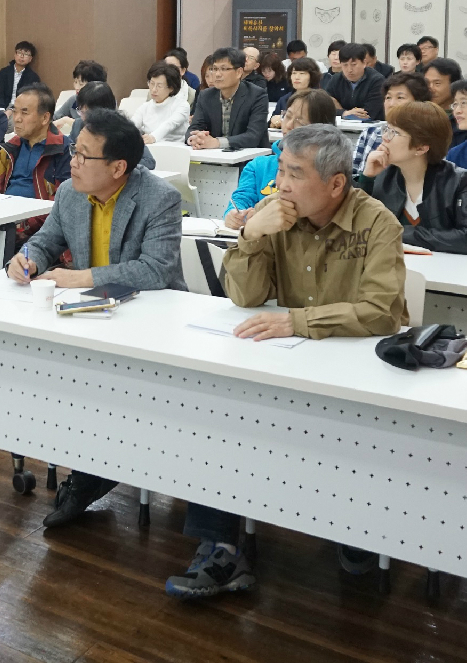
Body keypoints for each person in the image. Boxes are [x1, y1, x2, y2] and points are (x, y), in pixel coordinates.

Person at [164, 124, 406, 599]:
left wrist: (297, 321)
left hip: (351, 371)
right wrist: (251, 234)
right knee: (220, 408)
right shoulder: (274, 215)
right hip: (288, 360)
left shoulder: (377, 223)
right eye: (281, 170)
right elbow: (246, 296)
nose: (283, 184)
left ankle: (357, 526)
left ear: (336, 184)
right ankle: (221, 549)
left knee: (349, 435)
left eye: (295, 174)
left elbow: (381, 312)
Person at [6, 110, 184, 530]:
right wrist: (27, 259)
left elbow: (156, 270)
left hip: (150, 320)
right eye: (74, 150)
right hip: (92, 316)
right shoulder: (70, 192)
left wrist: (82, 277)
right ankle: (90, 468)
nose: (74, 162)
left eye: (85, 155)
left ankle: (90, 476)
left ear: (119, 168)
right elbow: (47, 241)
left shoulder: (160, 198)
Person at [356, 101, 467, 255]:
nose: (385, 137)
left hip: (445, 271)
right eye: (386, 129)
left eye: (394, 132)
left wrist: (398, 233)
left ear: (421, 147)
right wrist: (366, 178)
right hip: (393, 269)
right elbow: (354, 229)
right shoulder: (382, 176)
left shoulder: (458, 180)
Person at [223, 89, 338, 226]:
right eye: (287, 116)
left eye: (299, 122)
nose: (288, 126)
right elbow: (240, 200)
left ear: (321, 129)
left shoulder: (327, 171)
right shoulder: (259, 166)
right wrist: (235, 215)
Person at [0, 84, 70, 245]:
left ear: (45, 118)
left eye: (24, 112)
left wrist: (24, 226)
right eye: (15, 111)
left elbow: (61, 203)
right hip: (5, 224)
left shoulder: (63, 150)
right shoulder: (9, 148)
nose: (16, 118)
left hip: (41, 232)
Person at [349, 71, 431, 176]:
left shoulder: (425, 137)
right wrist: (367, 176)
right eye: (388, 98)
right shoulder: (370, 133)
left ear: (419, 103)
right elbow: (352, 177)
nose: (391, 104)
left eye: (400, 97)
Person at [187, 47, 268, 150]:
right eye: (214, 69)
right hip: (214, 158)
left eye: (224, 69)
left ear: (239, 72)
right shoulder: (206, 96)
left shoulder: (257, 95)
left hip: (249, 160)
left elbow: (253, 136)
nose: (217, 74)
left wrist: (217, 142)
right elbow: (193, 129)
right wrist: (195, 139)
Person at [69, 82, 156, 168]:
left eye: (88, 113)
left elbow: (149, 162)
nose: (84, 118)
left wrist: (109, 164)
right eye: (81, 111)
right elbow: (68, 153)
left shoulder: (124, 129)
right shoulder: (78, 125)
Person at [131, 61, 190, 144]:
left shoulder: (182, 105)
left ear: (171, 88)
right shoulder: (145, 107)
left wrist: (153, 137)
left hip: (176, 150)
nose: (154, 89)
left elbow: (169, 125)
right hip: (151, 148)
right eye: (151, 84)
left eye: (159, 86)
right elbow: (132, 125)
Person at [325, 42, 386, 120]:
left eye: (353, 64)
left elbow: (368, 113)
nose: (349, 70)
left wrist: (341, 111)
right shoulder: (336, 79)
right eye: (345, 65)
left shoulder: (377, 81)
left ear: (364, 63)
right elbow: (324, 108)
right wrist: (344, 113)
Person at [271, 57, 321, 125]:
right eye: (294, 73)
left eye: (302, 73)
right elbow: (271, 124)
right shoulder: (284, 100)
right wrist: (275, 122)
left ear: (312, 76)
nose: (296, 77)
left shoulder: (320, 99)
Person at [0, 41, 41, 110]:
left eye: (26, 54)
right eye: (19, 53)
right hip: (2, 107)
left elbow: (29, 99)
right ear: (15, 55)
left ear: (30, 59)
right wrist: (1, 110)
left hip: (20, 109)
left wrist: (12, 110)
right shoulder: (4, 72)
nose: (22, 56)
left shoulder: (33, 77)